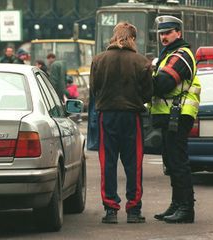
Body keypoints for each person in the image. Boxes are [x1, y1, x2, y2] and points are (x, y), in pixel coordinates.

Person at [90, 22, 153, 224]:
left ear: (113, 36)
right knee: (133, 164)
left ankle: (110, 209)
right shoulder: (142, 62)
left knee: (107, 163)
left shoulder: (98, 60)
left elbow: (94, 89)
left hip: (106, 116)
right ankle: (133, 210)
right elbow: (147, 94)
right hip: (131, 117)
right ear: (133, 38)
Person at [150, 15, 200, 224]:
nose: (164, 36)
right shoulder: (168, 54)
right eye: (161, 33)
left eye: (168, 32)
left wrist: (147, 79)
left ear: (178, 33)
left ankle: (186, 208)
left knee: (178, 162)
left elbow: (164, 83)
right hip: (170, 115)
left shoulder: (181, 55)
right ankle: (176, 204)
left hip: (178, 115)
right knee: (171, 162)